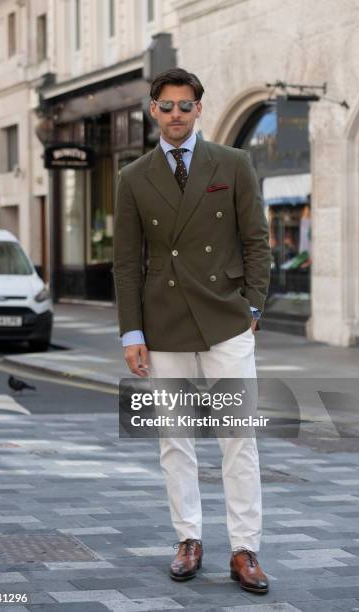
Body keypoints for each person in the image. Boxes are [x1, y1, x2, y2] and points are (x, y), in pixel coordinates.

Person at [113, 68, 271, 594]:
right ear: (152, 110)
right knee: (174, 440)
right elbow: (126, 263)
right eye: (166, 106)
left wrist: (252, 305)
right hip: (163, 323)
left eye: (185, 105)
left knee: (238, 438)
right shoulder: (133, 177)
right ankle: (189, 539)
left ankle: (245, 549)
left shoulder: (233, 163)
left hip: (226, 320)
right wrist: (131, 333)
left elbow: (256, 241)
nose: (176, 114)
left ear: (199, 109)